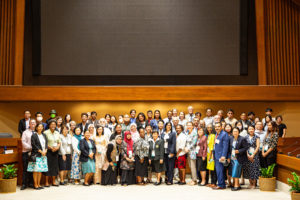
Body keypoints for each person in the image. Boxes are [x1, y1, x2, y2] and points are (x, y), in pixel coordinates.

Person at [27, 123, 48, 190]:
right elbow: (34, 145)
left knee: (40, 170)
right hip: (37, 155)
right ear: (36, 127)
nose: (40, 128)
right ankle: (35, 184)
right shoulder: (34, 135)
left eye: (42, 126)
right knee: (36, 170)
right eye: (39, 126)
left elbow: (46, 143)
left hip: (44, 155)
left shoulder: (44, 135)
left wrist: (45, 150)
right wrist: (41, 151)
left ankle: (39, 184)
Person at [44, 119, 61, 187]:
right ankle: (46, 182)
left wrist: (57, 147)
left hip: (55, 151)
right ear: (49, 125)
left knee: (55, 166)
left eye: (54, 124)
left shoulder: (57, 132)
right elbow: (44, 143)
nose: (53, 125)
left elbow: (59, 142)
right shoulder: (45, 132)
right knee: (48, 166)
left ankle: (53, 181)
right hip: (48, 151)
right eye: (52, 124)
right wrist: (51, 148)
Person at [212, 122, 229, 190]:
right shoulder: (217, 134)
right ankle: (221, 184)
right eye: (216, 127)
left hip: (221, 156)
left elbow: (225, 146)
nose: (217, 128)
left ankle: (221, 185)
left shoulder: (224, 134)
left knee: (220, 171)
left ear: (222, 127)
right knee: (218, 170)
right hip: (216, 155)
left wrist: (223, 155)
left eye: (218, 126)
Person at [21, 119, 36, 190]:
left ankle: (31, 183)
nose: (33, 124)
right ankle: (24, 184)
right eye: (31, 123)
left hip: (33, 153)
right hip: (26, 152)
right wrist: (31, 148)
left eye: (34, 123)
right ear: (29, 124)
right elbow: (23, 142)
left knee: (32, 168)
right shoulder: (25, 132)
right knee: (25, 169)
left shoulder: (36, 133)